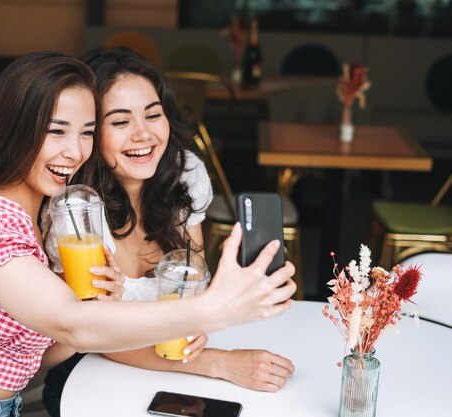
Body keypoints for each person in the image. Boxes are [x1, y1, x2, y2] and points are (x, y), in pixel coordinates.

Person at [0, 51, 295, 416]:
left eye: (86, 133)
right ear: (14, 129)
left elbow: (51, 349)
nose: (75, 152)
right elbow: (72, 324)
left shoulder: (35, 215)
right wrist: (215, 309)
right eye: (56, 131)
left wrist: (98, 302)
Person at [42, 47, 296, 417]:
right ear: (91, 134)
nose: (144, 134)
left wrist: (199, 325)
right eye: (120, 121)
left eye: (153, 114)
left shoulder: (184, 176)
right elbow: (95, 338)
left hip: (171, 373)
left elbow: (190, 289)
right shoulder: (76, 214)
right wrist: (220, 363)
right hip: (91, 377)